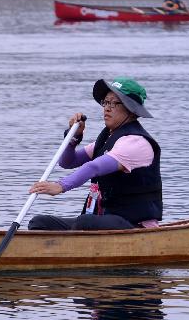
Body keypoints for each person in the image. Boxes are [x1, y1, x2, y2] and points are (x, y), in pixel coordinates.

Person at [27, 77, 161, 231]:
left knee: (85, 222)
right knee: (39, 223)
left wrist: (60, 186)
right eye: (105, 102)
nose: (106, 108)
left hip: (134, 224)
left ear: (130, 110)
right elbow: (67, 162)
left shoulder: (136, 143)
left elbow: (94, 167)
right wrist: (74, 136)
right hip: (103, 220)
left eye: (113, 103)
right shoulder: (106, 140)